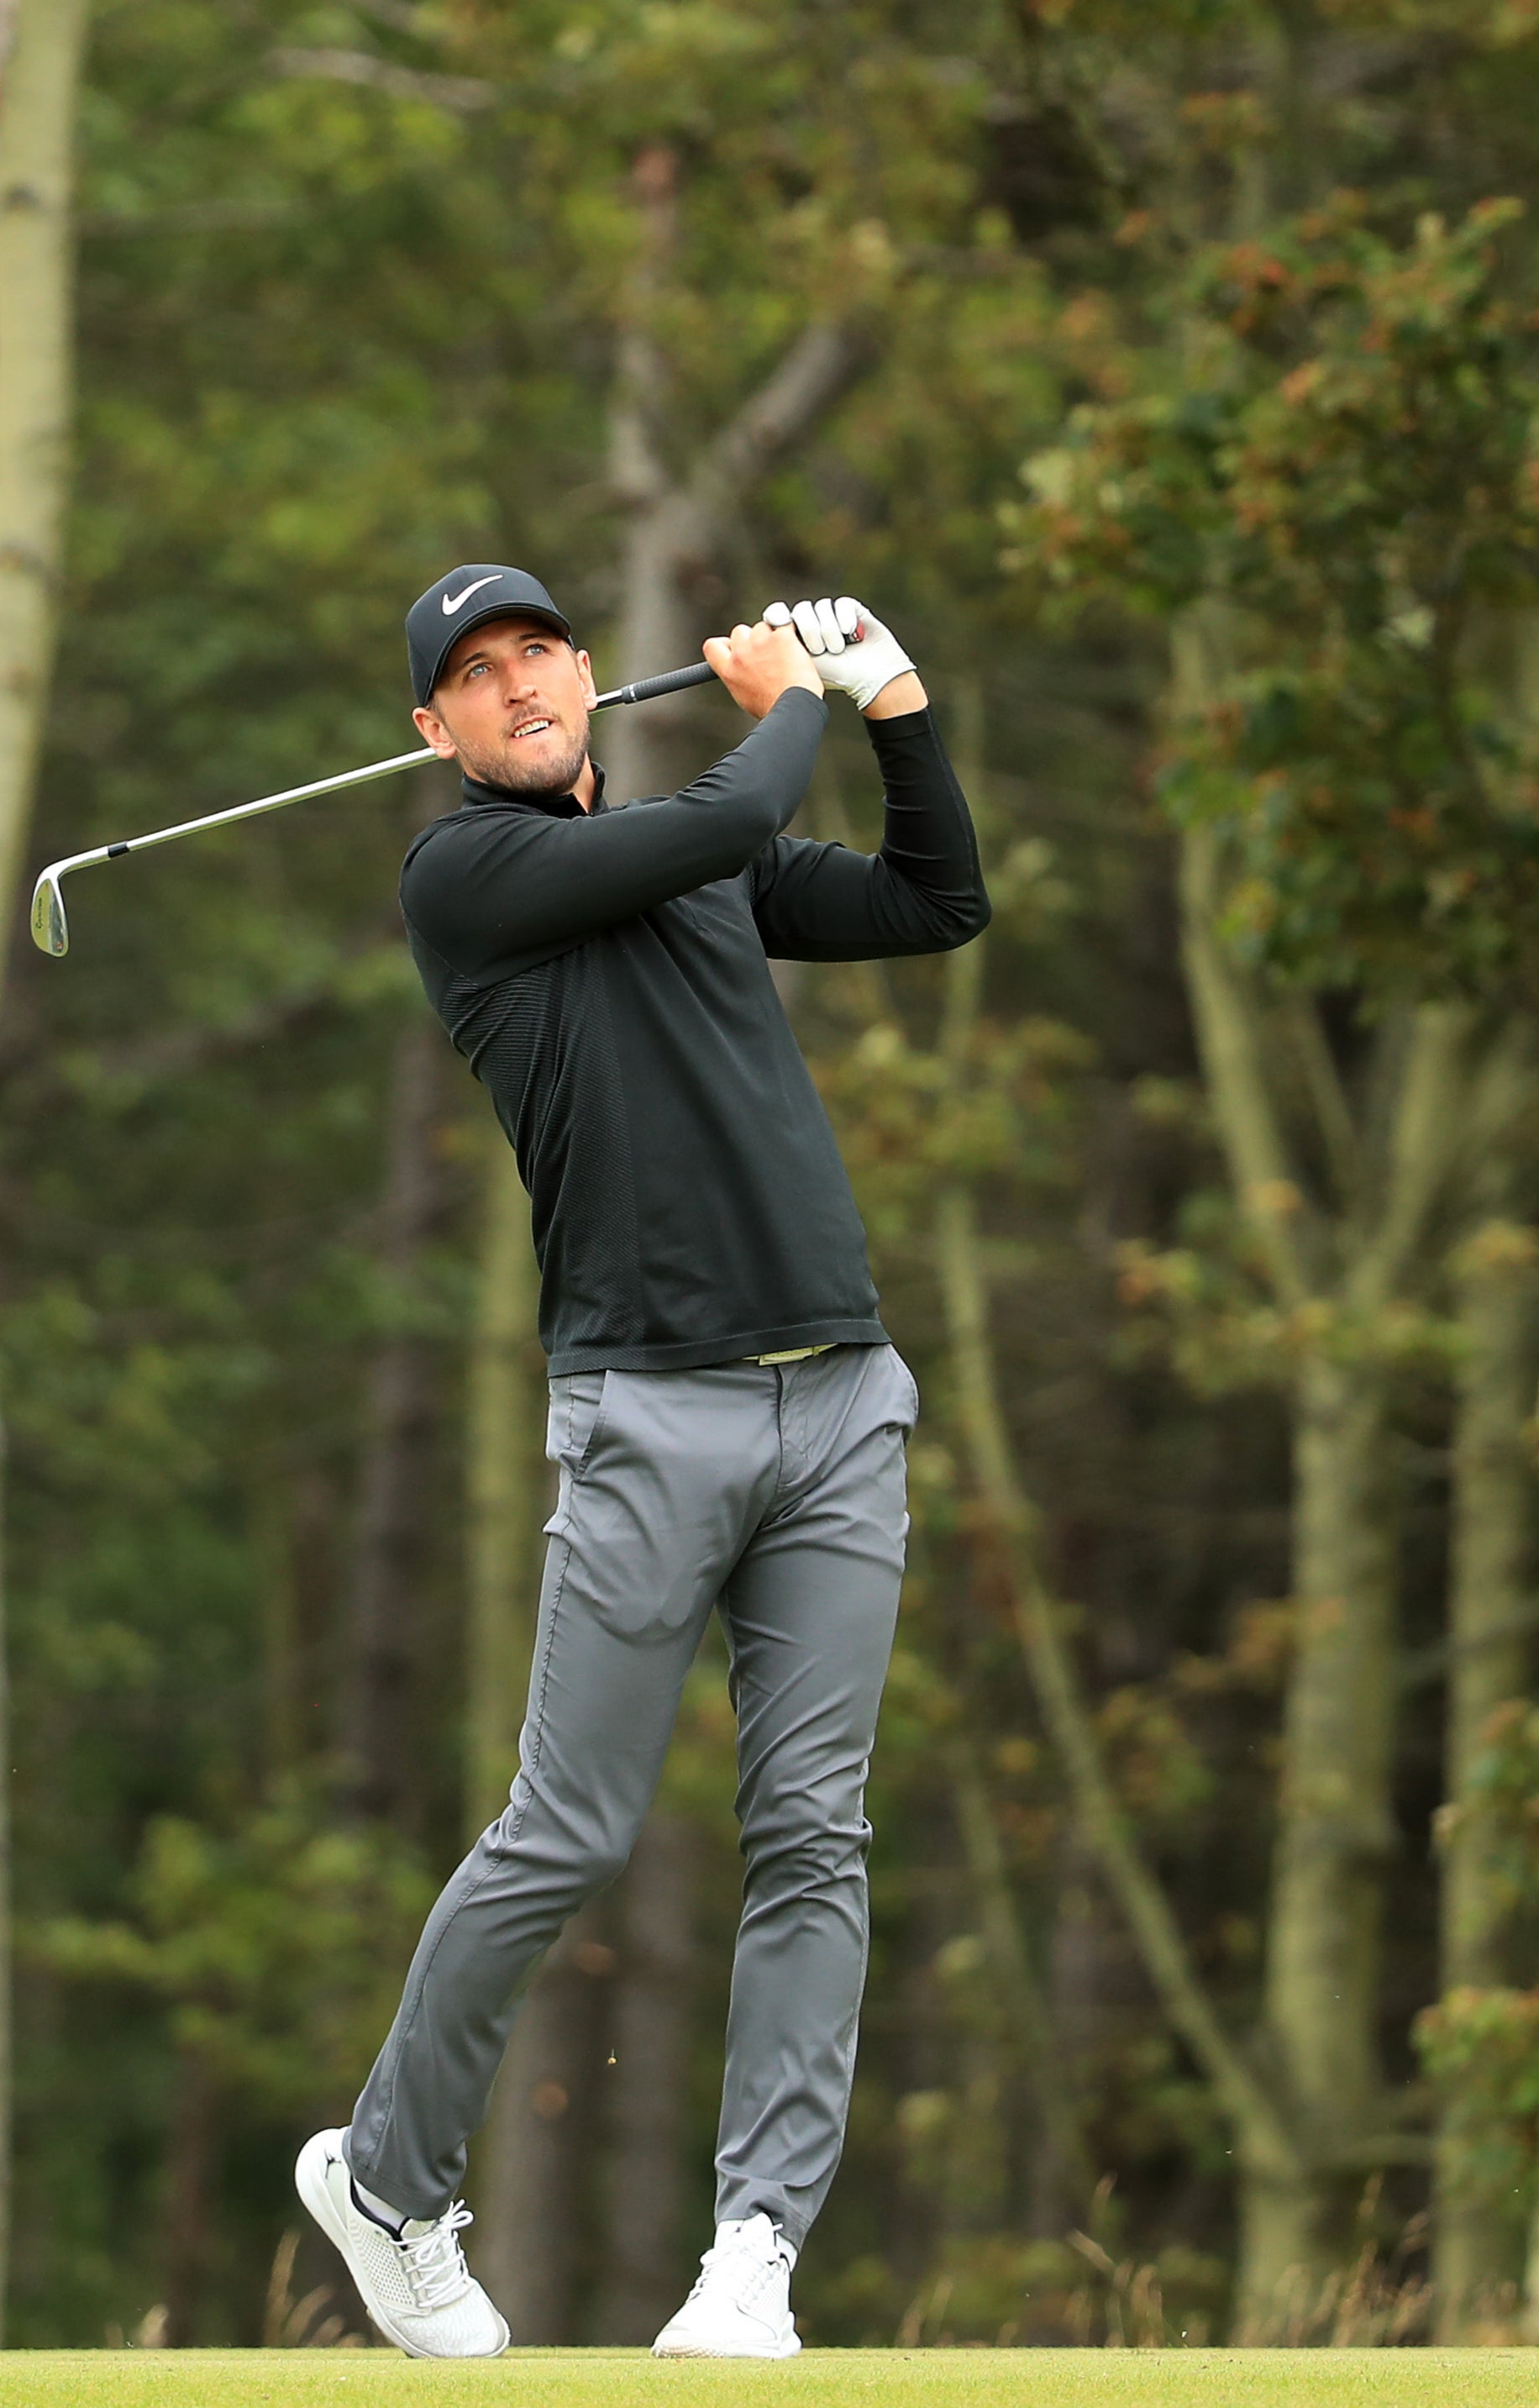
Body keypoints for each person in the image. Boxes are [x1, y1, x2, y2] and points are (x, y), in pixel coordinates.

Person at [294, 565, 989, 2358]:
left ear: (590, 674)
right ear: (432, 731)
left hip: (840, 1399)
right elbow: (733, 811)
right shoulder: (466, 878)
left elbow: (937, 900)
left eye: (539, 651)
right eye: (474, 673)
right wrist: (789, 698)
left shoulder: (697, 845)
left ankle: (753, 2251)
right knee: (567, 1827)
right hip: (645, 1414)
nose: (517, 684)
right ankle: (382, 2177)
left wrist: (894, 701)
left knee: (813, 1834)